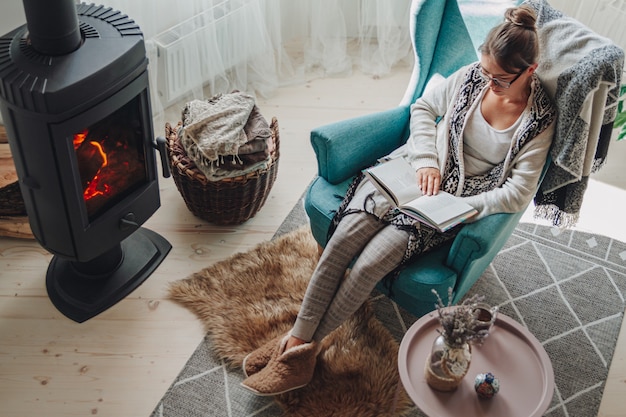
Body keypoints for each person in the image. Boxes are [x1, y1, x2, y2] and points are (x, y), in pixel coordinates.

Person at [240, 4, 556, 396]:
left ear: (530, 69)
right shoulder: (474, 76)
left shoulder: (539, 120)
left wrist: (468, 207)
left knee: (368, 265)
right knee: (339, 245)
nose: (488, 81)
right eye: (486, 71)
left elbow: (519, 191)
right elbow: (424, 107)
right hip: (412, 170)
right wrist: (426, 159)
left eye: (500, 79)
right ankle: (295, 340)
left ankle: (301, 352)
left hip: (452, 202)